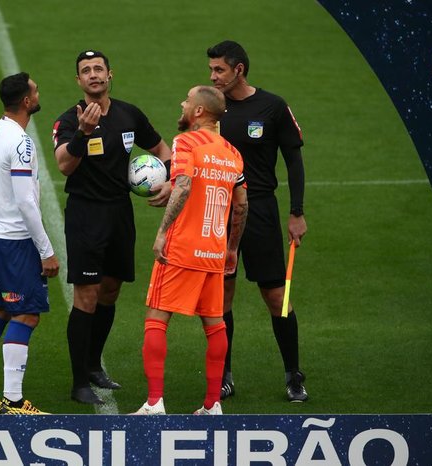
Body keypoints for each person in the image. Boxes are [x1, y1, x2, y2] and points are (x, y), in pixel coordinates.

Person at [53, 50, 172, 405]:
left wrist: (170, 179)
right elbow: (63, 166)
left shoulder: (128, 114)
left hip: (120, 213)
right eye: (86, 71)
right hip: (86, 215)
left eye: (98, 69)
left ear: (110, 74)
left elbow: (162, 148)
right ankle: (79, 383)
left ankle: (93, 365)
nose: (93, 74)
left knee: (110, 292)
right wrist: (83, 133)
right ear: (79, 81)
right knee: (86, 295)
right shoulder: (69, 120)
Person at [132, 85, 248, 415]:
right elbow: (242, 205)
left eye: (187, 100)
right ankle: (212, 406)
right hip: (214, 250)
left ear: (198, 112)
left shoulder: (186, 142)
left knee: (156, 319)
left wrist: (162, 232)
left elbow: (181, 186)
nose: (182, 103)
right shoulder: (233, 153)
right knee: (215, 325)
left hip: (182, 247)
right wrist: (233, 248)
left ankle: (154, 403)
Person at [206, 40, 309, 401]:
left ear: (239, 70)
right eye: (211, 70)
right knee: (223, 296)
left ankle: (293, 374)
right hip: (218, 212)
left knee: (276, 295)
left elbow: (294, 161)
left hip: (261, 210)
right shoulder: (209, 108)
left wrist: (297, 212)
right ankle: (223, 375)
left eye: (219, 69)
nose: (213, 76)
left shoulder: (272, 107)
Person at [0, 72, 59, 415]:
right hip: (15, 241)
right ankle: (14, 400)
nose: (38, 92)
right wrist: (46, 251)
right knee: (26, 315)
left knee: (0, 309)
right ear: (26, 101)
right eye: (35, 90)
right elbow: (26, 202)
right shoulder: (21, 143)